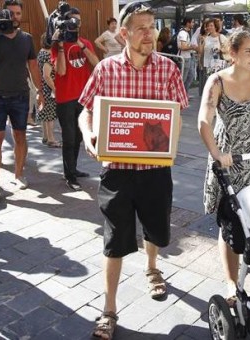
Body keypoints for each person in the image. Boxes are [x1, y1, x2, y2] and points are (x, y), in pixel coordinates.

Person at [77, 2, 188, 339]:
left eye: (151, 27)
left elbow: (177, 116)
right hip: (118, 172)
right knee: (114, 241)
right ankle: (108, 309)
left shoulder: (168, 69)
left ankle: (153, 269)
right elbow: (85, 111)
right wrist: (89, 134)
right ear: (123, 33)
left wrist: (170, 150)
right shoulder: (106, 69)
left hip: (155, 170)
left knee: (156, 229)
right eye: (140, 28)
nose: (148, 34)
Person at [198, 29, 250, 304]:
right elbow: (204, 120)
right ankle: (232, 282)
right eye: (248, 51)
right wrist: (216, 153)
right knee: (231, 225)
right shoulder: (217, 81)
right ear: (232, 53)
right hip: (230, 161)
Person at [0, 0, 44, 199]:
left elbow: (33, 67)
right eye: (11, 13)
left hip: (20, 95)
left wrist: (41, 92)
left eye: (18, 13)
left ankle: (19, 175)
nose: (15, 17)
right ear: (3, 14)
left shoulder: (26, 39)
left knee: (20, 136)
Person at [51, 7, 99, 191]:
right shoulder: (57, 45)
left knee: (79, 137)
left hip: (83, 98)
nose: (75, 25)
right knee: (69, 138)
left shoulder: (85, 42)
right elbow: (61, 71)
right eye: (72, 21)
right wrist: (62, 46)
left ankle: (73, 169)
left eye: (77, 22)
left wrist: (80, 44)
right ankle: (69, 175)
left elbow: (96, 63)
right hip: (65, 99)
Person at [36, 33, 61, 148]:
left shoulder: (41, 52)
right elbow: (47, 75)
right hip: (48, 88)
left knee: (44, 113)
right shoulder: (48, 55)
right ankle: (51, 139)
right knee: (50, 115)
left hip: (41, 87)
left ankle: (45, 137)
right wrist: (55, 88)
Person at [198, 18, 228, 95]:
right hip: (207, 65)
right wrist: (200, 61)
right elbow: (201, 52)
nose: (209, 27)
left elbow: (228, 49)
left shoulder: (221, 37)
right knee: (209, 84)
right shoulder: (205, 38)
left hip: (219, 65)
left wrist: (220, 50)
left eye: (211, 25)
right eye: (208, 26)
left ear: (215, 27)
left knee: (218, 83)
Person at [177, 18, 197, 92]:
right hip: (184, 58)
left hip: (187, 57)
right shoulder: (183, 33)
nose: (193, 24)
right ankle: (180, 95)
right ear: (188, 23)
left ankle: (184, 93)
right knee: (183, 79)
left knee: (189, 77)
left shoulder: (185, 33)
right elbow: (182, 47)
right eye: (192, 22)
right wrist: (192, 47)